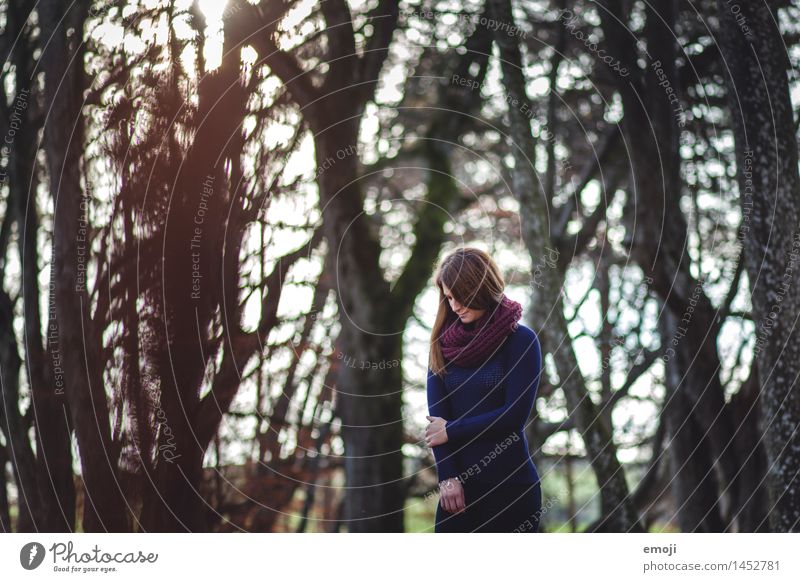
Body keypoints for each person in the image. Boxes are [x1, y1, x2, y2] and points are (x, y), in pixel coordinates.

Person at [424, 247, 543, 533]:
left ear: (479, 287)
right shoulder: (442, 347)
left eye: (460, 295)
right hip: (457, 494)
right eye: (449, 297)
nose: (455, 306)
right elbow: (435, 426)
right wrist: (448, 477)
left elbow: (513, 417)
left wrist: (451, 430)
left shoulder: (521, 341)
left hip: (512, 489)